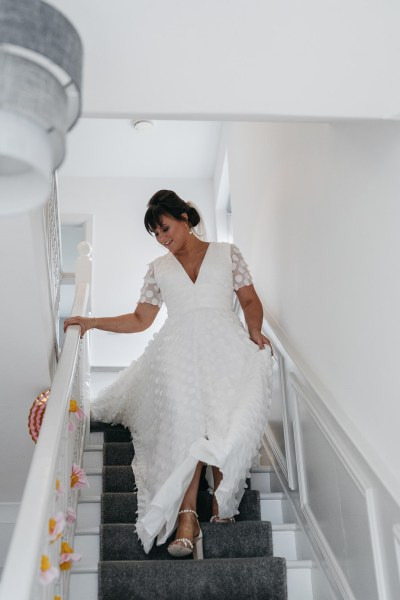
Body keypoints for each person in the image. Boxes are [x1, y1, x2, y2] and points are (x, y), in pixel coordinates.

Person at [64, 189, 273, 559]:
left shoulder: (227, 253)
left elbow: (250, 300)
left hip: (224, 343)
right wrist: (92, 322)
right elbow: (141, 319)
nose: (163, 238)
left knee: (223, 414)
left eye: (165, 228)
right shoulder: (158, 269)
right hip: (176, 350)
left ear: (185, 219)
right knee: (186, 418)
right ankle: (186, 517)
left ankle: (221, 500)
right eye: (156, 234)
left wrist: (255, 330)